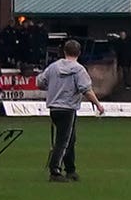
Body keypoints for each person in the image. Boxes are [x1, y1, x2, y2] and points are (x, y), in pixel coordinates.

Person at [39, 38, 101, 182]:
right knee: (64, 140)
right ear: (79, 52)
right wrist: (97, 104)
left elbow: (40, 82)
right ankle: (55, 170)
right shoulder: (79, 70)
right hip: (68, 108)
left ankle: (70, 169)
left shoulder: (53, 67)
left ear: (64, 51)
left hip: (54, 108)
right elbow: (86, 89)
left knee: (69, 139)